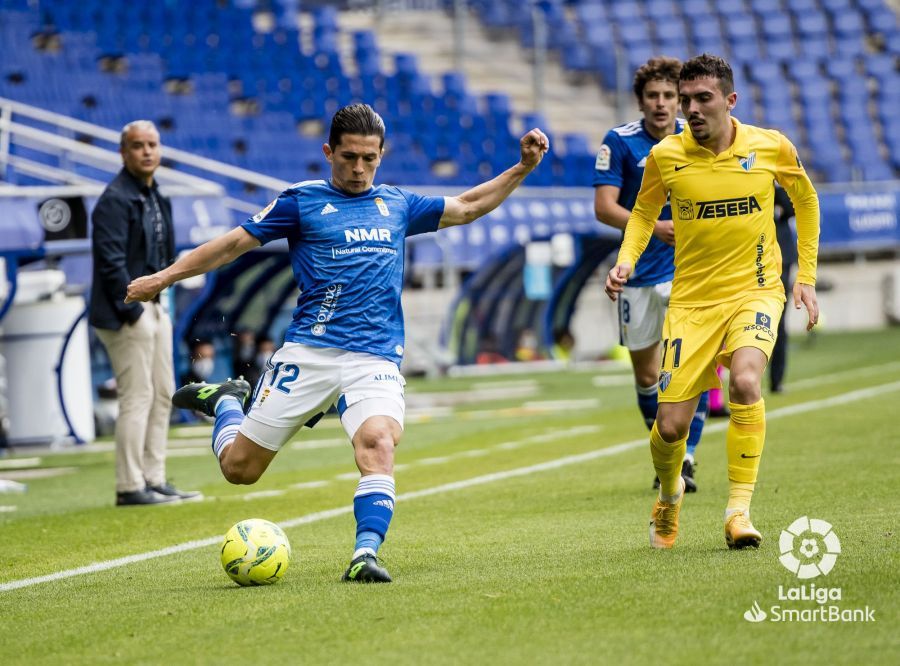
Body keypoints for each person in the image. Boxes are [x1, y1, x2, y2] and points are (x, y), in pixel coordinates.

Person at [125, 103, 549, 581]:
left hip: (375, 356)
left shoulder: (397, 204)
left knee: (378, 442)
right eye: (349, 157)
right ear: (328, 152)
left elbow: (468, 206)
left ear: (381, 155)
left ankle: (364, 555)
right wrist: (163, 277)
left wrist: (522, 168)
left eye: (369, 158)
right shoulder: (300, 203)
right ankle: (227, 403)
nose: (359, 168)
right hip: (310, 353)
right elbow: (230, 245)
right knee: (240, 470)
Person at [604, 54, 819, 550]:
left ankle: (738, 512)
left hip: (756, 291)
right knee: (669, 425)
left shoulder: (770, 146)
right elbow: (641, 213)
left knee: (745, 381)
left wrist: (804, 275)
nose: (692, 109)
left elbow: (806, 201)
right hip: (692, 304)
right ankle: (670, 495)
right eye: (686, 100)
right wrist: (626, 260)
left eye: (703, 99)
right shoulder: (665, 155)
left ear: (730, 100)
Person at [593, 56, 709, 492]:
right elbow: (604, 207)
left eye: (669, 96)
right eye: (653, 96)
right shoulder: (620, 142)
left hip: (689, 271)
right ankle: (664, 449)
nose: (662, 104)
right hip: (637, 272)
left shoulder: (695, 138)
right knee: (647, 375)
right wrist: (654, 227)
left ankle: (687, 457)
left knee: (690, 368)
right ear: (640, 101)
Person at [89, 120, 201, 506]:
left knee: (163, 394)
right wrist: (134, 312)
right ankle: (129, 485)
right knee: (137, 397)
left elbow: (163, 254)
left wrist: (157, 303)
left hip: (155, 306)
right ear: (124, 153)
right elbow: (110, 265)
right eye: (138, 145)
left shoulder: (157, 196)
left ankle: (153, 478)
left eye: (152, 144)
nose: (147, 151)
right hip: (126, 312)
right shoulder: (114, 200)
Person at [770, 184, 798, 393]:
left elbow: (793, 207)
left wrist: (777, 186)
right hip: (753, 257)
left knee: (779, 321)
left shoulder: (778, 186)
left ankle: (776, 380)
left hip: (782, 257)